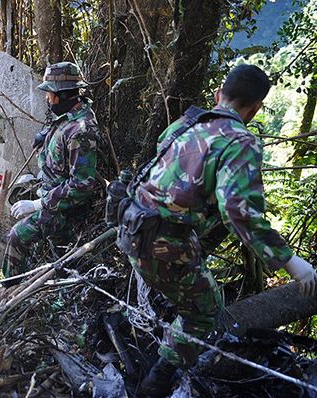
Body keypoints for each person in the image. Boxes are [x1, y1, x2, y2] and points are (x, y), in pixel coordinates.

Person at [120, 64, 317, 397]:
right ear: (255, 108)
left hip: (131, 227)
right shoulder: (240, 140)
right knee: (206, 311)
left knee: (187, 285)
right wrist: (292, 262)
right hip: (162, 242)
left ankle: (162, 321)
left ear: (217, 95)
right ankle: (156, 381)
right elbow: (239, 212)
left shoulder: (184, 124)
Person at [1, 62, 99, 279]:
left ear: (63, 95)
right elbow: (62, 125)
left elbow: (81, 185)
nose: (47, 98)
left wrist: (39, 204)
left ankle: (9, 290)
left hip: (64, 212)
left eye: (51, 94)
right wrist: (47, 135)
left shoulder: (81, 132)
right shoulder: (70, 115)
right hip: (51, 195)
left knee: (16, 237)